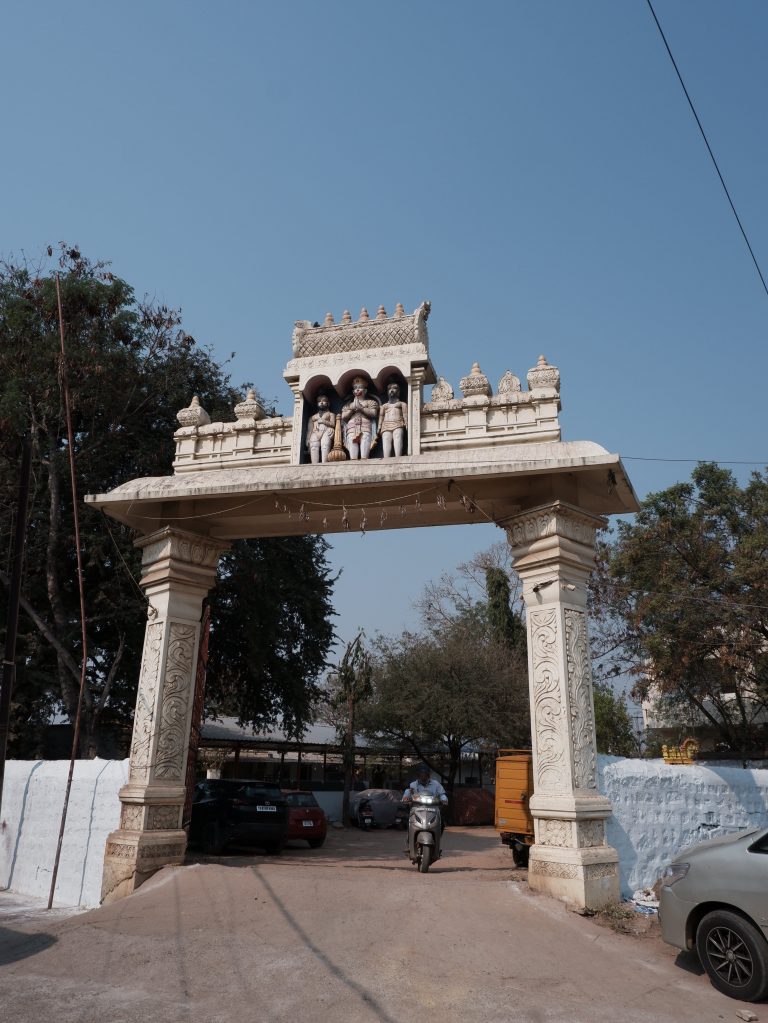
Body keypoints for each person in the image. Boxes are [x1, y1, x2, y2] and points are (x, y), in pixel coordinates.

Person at [341, 376, 379, 459]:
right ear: (353, 391)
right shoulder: (348, 405)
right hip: (351, 427)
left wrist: (361, 408)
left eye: (360, 388)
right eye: (355, 388)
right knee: (351, 442)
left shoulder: (370, 402)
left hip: (365, 426)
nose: (357, 390)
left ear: (365, 390)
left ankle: (364, 460)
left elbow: (373, 413)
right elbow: (343, 416)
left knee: (365, 441)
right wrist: (352, 409)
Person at [377, 380, 408, 457]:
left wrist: (406, 423)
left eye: (394, 388)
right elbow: (381, 416)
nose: (392, 390)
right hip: (386, 425)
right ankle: (386, 458)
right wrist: (379, 426)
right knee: (386, 438)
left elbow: (405, 414)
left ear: (398, 391)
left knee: (397, 437)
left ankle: (398, 457)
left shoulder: (402, 404)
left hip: (398, 423)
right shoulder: (384, 406)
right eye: (389, 389)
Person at [305, 391, 335, 464]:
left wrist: (324, 421)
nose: (321, 402)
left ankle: (324, 463)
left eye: (324, 401)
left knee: (325, 445)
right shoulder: (313, 417)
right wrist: (307, 439)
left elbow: (333, 424)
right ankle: (314, 464)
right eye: (319, 401)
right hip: (315, 431)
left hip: (326, 430)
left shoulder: (331, 414)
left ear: (328, 403)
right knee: (313, 446)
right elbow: (310, 429)